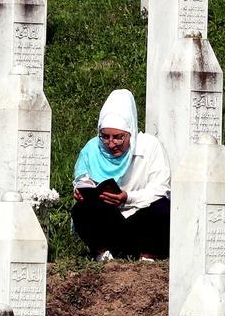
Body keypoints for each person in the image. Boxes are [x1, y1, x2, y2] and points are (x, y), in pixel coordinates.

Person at [71, 89, 171, 260]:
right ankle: (103, 251)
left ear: (130, 132)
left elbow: (161, 188)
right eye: (105, 137)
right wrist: (82, 192)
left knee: (162, 208)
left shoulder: (150, 146)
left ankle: (147, 253)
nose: (111, 144)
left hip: (141, 215)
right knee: (81, 210)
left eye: (118, 137)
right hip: (110, 219)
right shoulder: (92, 149)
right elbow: (82, 179)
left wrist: (128, 198)